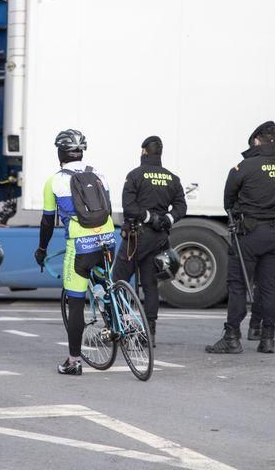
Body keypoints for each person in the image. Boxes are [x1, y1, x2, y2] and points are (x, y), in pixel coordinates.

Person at [34, 129, 116, 375]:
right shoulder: (99, 175)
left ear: (60, 153)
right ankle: (120, 324)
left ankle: (73, 361)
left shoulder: (54, 181)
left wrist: (41, 249)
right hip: (108, 240)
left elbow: (48, 222)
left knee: (76, 303)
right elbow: (107, 209)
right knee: (106, 287)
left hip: (80, 246)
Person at [206, 120, 275, 354]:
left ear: (256, 141)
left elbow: (228, 200)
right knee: (268, 286)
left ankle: (232, 336)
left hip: (250, 234)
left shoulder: (245, 166)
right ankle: (268, 338)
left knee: (238, 286)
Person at [112, 136, 187, 343]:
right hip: (159, 239)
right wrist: (166, 219)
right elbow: (181, 207)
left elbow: (129, 207)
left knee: (118, 281)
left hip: (136, 238)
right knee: (150, 285)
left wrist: (148, 217)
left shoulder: (135, 175)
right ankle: (149, 333)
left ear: (144, 151)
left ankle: (121, 326)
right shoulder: (172, 178)